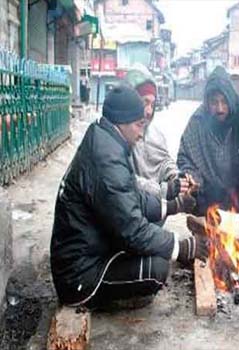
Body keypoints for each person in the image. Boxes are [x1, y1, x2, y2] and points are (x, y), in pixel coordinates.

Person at [50, 85, 208, 309]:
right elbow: (132, 230)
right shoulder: (107, 160)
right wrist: (181, 247)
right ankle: (105, 301)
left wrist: (174, 205)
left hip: (90, 251)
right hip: (79, 278)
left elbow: (132, 196)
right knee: (158, 268)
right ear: (120, 123)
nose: (141, 133)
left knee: (157, 242)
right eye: (138, 125)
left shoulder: (105, 140)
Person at [177, 66, 239, 252]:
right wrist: (193, 179)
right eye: (214, 103)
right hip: (212, 188)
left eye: (224, 101)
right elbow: (185, 157)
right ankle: (205, 232)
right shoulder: (198, 121)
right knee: (192, 193)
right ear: (207, 103)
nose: (220, 108)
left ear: (231, 99)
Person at [125, 64, 191, 203]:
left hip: (148, 210)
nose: (149, 111)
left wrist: (176, 177)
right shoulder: (117, 135)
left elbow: (163, 162)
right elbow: (123, 180)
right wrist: (164, 191)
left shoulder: (155, 134)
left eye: (152, 104)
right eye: (144, 102)